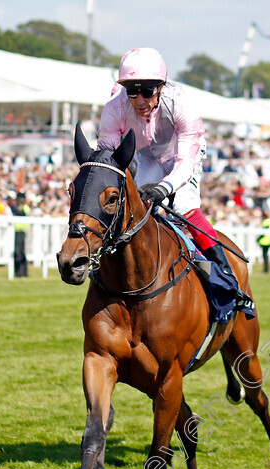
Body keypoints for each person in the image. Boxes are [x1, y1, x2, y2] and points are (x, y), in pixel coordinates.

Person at [97, 47, 238, 296]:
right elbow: (109, 156)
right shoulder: (114, 107)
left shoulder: (182, 103)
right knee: (135, 208)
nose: (140, 99)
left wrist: (165, 187)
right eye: (132, 91)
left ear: (161, 87)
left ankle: (226, 275)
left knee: (183, 208)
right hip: (148, 155)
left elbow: (185, 162)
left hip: (183, 155)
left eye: (147, 91)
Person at [11, 192, 30, 278]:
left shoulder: (25, 208)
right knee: (18, 252)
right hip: (16, 231)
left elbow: (22, 213)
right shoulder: (17, 207)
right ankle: (19, 272)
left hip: (22, 232)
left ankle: (22, 272)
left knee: (20, 253)